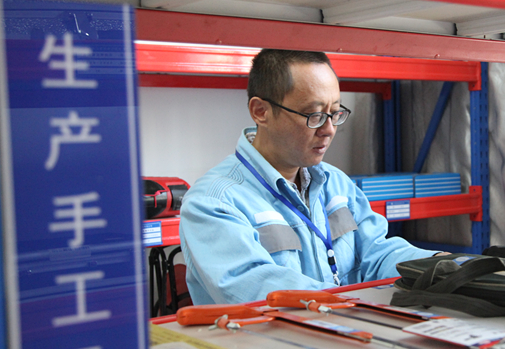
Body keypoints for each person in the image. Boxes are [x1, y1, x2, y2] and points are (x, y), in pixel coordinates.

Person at [179, 49, 442, 305]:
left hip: (346, 325)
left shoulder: (336, 183)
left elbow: (377, 253)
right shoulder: (214, 203)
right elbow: (260, 289)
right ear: (261, 111)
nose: (329, 130)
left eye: (335, 113)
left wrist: (443, 266)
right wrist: (350, 304)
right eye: (314, 115)